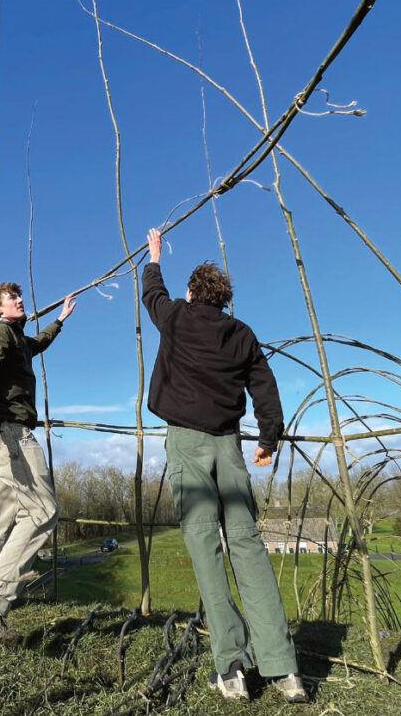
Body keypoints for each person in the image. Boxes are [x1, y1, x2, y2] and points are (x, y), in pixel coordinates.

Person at [141, 228, 308, 704]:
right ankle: (284, 669)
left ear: (192, 293)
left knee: (203, 545)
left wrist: (154, 257)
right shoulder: (242, 334)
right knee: (247, 545)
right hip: (230, 445)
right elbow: (264, 386)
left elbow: (152, 292)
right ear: (226, 300)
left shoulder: (176, 317)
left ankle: (232, 666)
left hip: (188, 442)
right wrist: (269, 437)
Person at [0, 282, 76, 649]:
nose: (20, 300)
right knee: (43, 512)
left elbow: (35, 346)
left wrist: (59, 321)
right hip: (10, 433)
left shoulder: (15, 338)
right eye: (11, 298)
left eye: (19, 296)